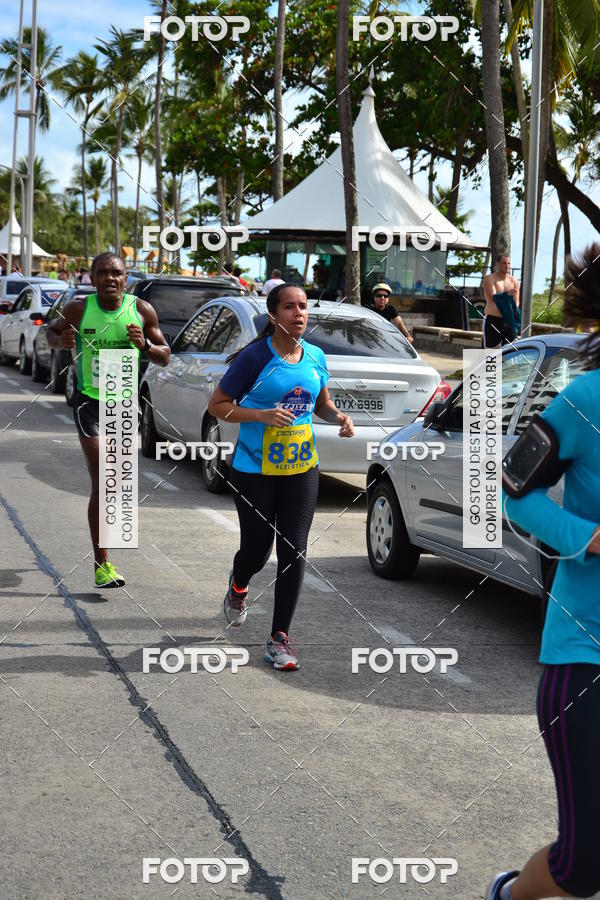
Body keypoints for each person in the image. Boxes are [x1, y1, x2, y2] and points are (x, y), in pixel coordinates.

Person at [487, 244, 600, 900]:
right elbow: (513, 490)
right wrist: (587, 537)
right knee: (584, 867)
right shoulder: (584, 400)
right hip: (585, 656)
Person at [207, 283, 354, 671]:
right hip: (254, 469)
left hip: (301, 467)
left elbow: (321, 402)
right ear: (274, 315)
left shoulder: (317, 356)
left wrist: (337, 417)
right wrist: (261, 415)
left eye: (303, 307)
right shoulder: (256, 357)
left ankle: (279, 639)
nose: (299, 313)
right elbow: (218, 406)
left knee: (295, 549)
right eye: (290, 307)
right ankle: (239, 585)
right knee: (258, 550)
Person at [47, 251, 170, 588]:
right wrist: (61, 340)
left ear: (125, 277)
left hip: (124, 406)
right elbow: (51, 333)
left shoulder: (141, 310)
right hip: (89, 402)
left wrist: (144, 345)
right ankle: (103, 565)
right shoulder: (78, 309)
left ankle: (104, 553)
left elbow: (165, 356)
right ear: (92, 277)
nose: (110, 278)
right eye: (102, 272)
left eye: (116, 273)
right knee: (104, 480)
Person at [482, 255, 520, 348]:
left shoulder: (514, 280)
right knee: (491, 355)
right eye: (504, 263)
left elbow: (516, 301)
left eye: (509, 263)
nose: (507, 265)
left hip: (509, 321)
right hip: (493, 320)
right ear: (498, 264)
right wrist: (508, 295)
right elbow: (494, 298)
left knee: (511, 352)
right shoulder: (490, 279)